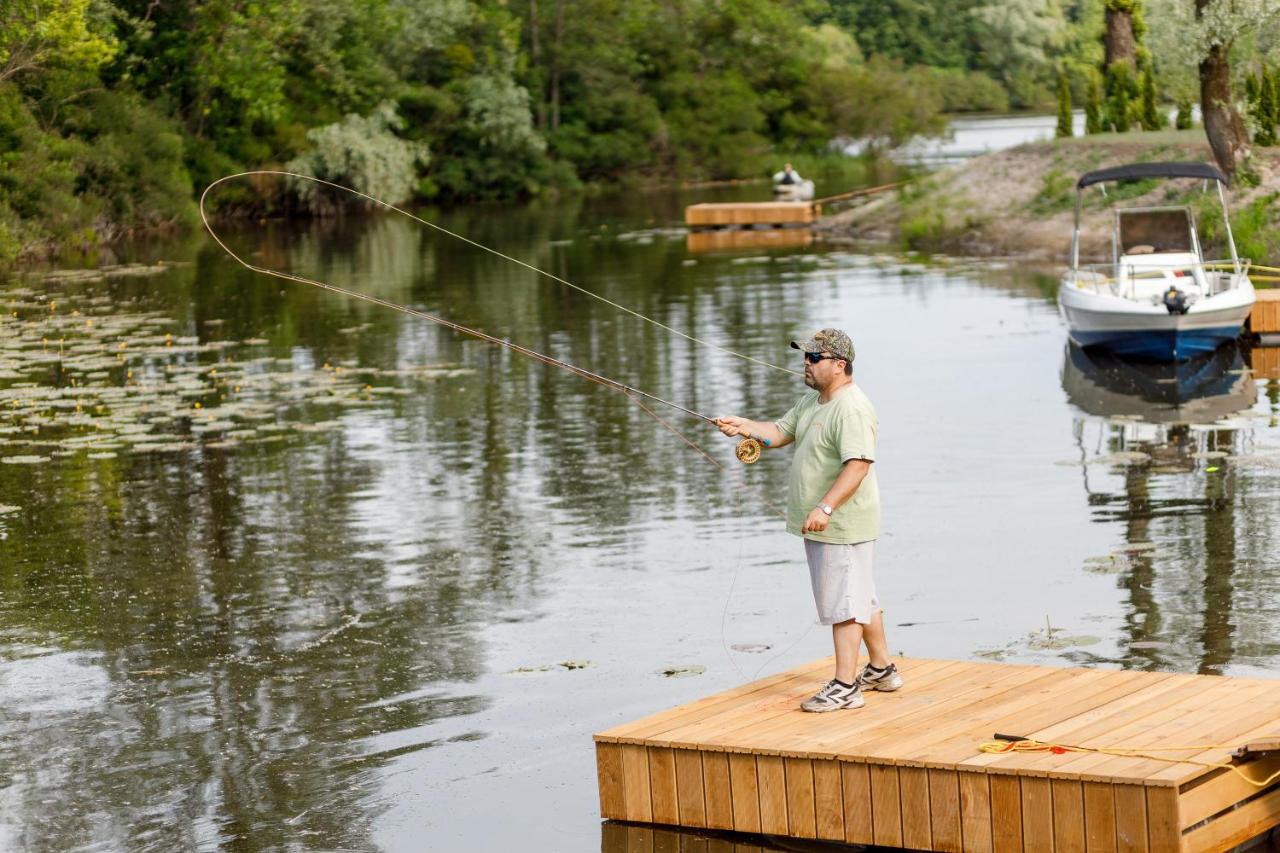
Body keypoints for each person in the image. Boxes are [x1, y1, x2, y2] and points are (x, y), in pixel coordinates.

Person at [715, 328, 901, 712]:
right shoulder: (812, 402)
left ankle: (846, 686)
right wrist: (744, 426)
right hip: (826, 523)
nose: (806, 363)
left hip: (841, 524)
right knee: (861, 594)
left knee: (845, 603)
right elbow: (780, 433)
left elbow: (858, 466)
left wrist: (826, 507)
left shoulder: (852, 408)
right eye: (805, 356)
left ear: (839, 364)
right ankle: (881, 670)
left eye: (814, 358)